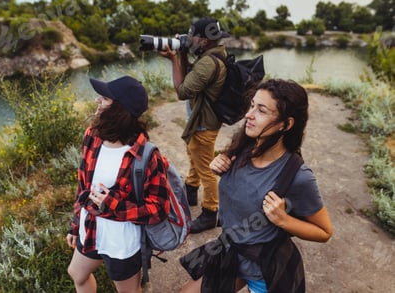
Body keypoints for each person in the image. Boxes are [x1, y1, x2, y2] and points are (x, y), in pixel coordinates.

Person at [179, 79, 333, 293]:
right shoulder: (242, 147)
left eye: (261, 110)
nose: (248, 115)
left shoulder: (298, 176)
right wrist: (219, 166)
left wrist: (283, 219)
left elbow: (324, 232)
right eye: (252, 105)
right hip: (231, 254)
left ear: (285, 124)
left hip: (263, 271)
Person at [66, 75, 170, 293]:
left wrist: (113, 203)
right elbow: (82, 184)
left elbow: (158, 209)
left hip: (122, 244)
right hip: (91, 230)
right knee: (77, 274)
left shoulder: (146, 155)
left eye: (104, 98)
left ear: (119, 109)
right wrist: (76, 224)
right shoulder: (92, 136)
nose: (97, 101)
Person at [160, 17, 230, 233]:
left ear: (205, 40)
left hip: (203, 123)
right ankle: (191, 189)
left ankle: (211, 212)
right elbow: (193, 76)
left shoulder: (209, 62)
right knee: (196, 155)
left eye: (193, 36)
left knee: (206, 167)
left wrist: (173, 60)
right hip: (205, 120)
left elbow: (182, 91)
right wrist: (181, 53)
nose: (189, 39)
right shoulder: (214, 54)